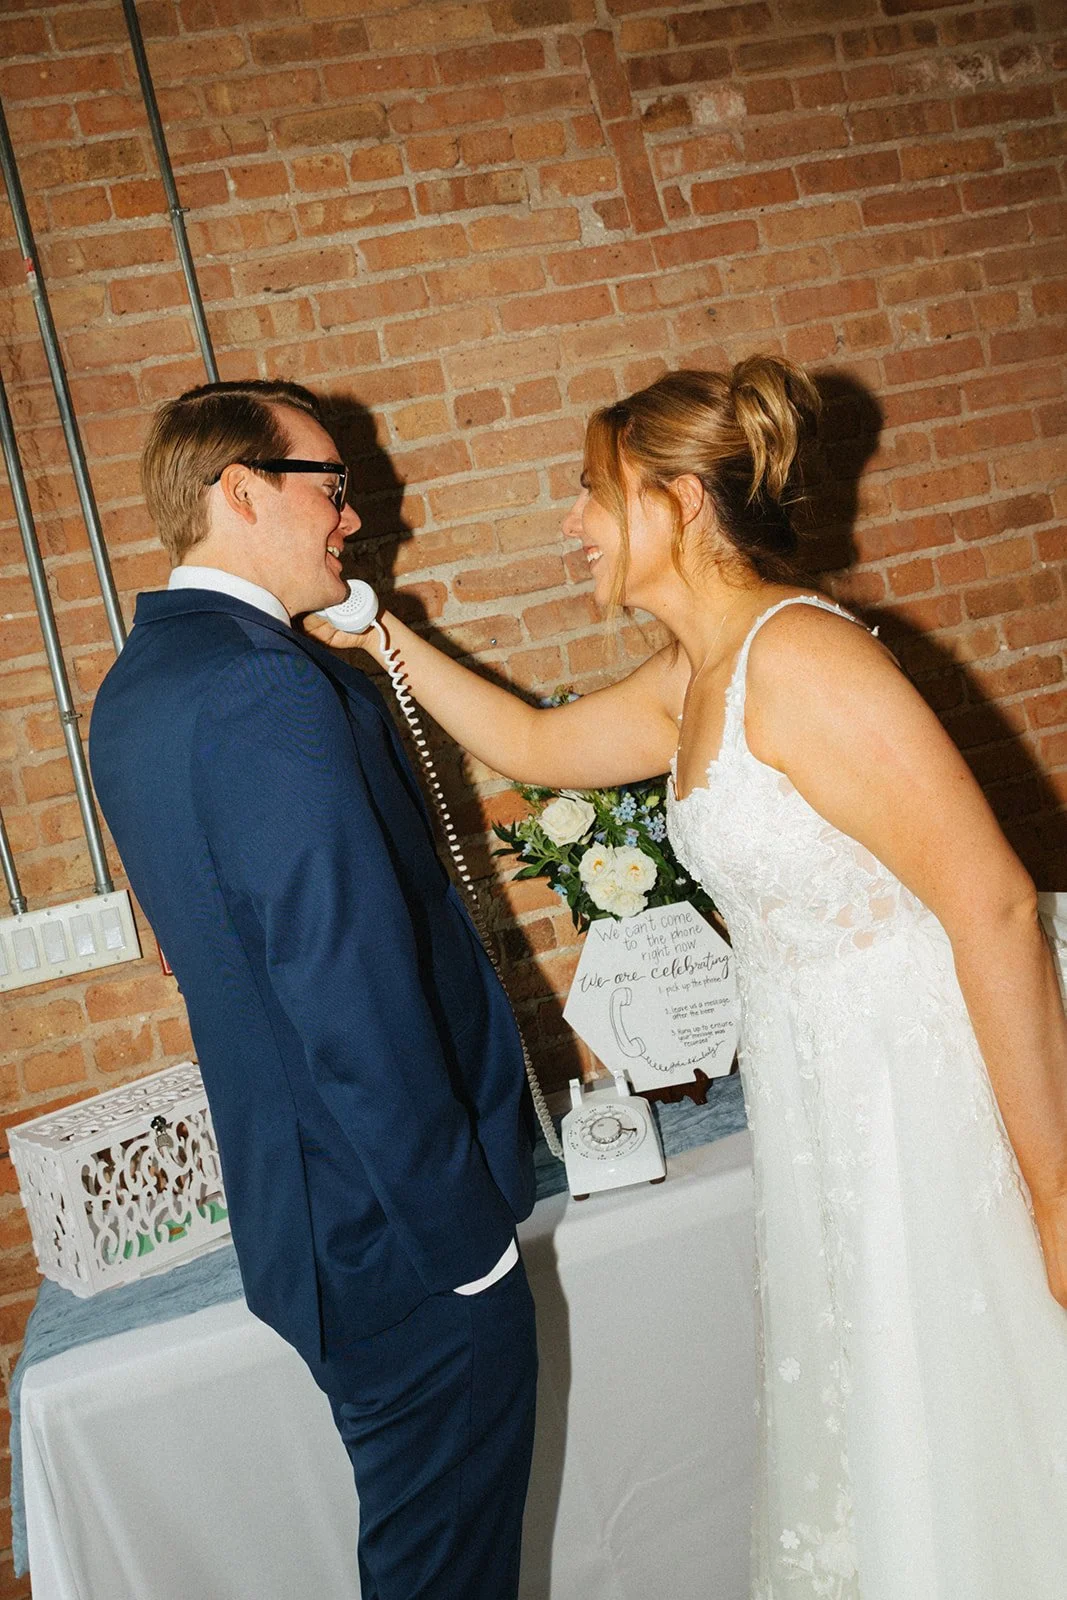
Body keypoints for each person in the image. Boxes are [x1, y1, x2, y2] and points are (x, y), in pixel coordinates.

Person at [309, 356, 1067, 1598]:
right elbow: (540, 744)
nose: (571, 523)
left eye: (590, 494)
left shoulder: (805, 656)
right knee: (886, 1413)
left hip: (919, 1095)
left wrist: (1048, 1190)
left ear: (679, 503)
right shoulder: (694, 673)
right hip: (829, 1098)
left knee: (978, 1402)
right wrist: (379, 627)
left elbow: (987, 903)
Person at [88, 379, 539, 1600]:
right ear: (240, 491)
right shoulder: (259, 684)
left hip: (316, 1220)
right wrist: (465, 1249)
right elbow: (348, 989)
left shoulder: (137, 687)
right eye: (329, 488)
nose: (351, 518)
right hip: (394, 1232)